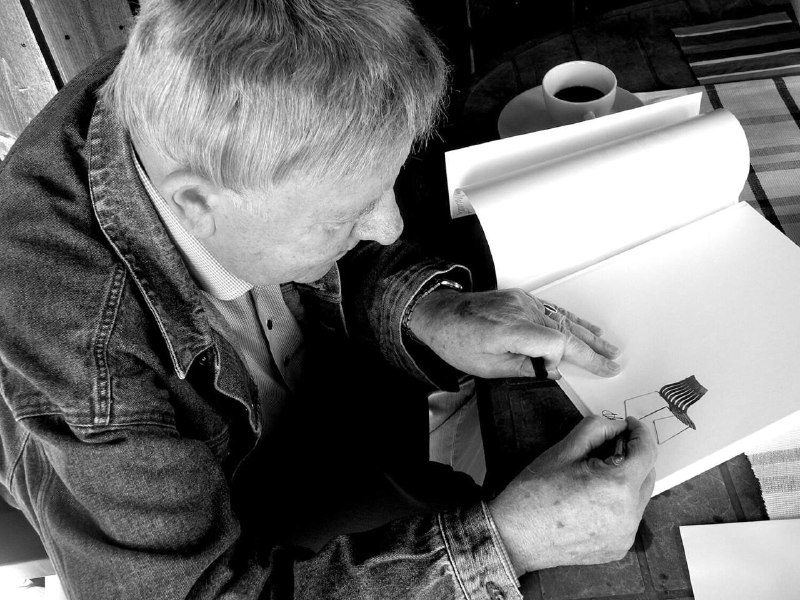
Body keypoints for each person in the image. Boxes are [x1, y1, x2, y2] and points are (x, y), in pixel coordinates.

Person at [0, 0, 657, 598]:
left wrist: (429, 310)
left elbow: (325, 208)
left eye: (385, 185)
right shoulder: (87, 364)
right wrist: (508, 544)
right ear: (196, 205)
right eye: (346, 217)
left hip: (317, 417)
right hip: (214, 511)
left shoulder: (216, 71)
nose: (390, 228)